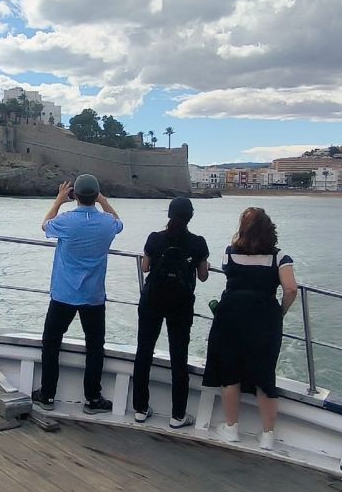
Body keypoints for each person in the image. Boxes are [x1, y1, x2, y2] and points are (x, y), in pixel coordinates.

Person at [201, 207, 298, 451]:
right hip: (265, 317)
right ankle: (267, 436)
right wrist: (280, 312)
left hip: (230, 315)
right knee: (265, 375)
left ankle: (232, 428)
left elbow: (228, 274)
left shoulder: (229, 253)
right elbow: (290, 289)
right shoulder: (280, 257)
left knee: (229, 371)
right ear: (269, 229)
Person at [31, 174, 123, 414]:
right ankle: (93, 399)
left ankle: (47, 395)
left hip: (64, 294)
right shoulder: (107, 223)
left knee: (51, 343)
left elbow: (45, 225)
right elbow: (118, 221)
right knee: (95, 346)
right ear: (96, 195)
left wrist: (58, 201)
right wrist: (102, 200)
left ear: (75, 196)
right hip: (93, 296)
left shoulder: (66, 221)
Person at [132, 197, 209, 429]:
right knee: (179, 357)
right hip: (181, 304)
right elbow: (203, 276)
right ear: (190, 216)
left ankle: (140, 409)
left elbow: (145, 267)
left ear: (169, 214)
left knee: (144, 352)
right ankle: (177, 416)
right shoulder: (198, 243)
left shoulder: (155, 238)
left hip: (152, 301)